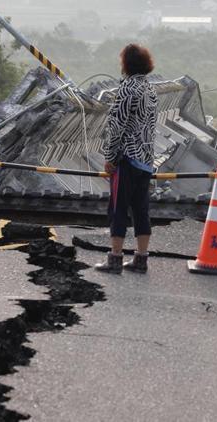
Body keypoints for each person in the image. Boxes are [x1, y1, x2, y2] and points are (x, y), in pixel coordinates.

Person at [95, 44, 158, 274]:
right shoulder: (150, 90)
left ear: (126, 64)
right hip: (146, 159)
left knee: (118, 208)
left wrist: (110, 157)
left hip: (128, 159)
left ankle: (115, 258)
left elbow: (116, 126)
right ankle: (141, 259)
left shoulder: (127, 89)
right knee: (141, 209)